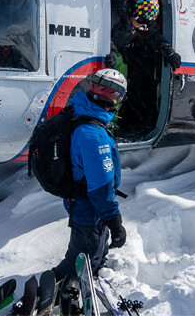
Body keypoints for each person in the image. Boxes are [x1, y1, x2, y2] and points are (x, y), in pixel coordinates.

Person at [52, 68, 128, 287]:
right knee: (80, 261)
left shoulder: (82, 113)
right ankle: (57, 290)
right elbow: (100, 186)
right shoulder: (93, 134)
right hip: (88, 207)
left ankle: (91, 277)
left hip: (87, 204)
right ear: (115, 98)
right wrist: (115, 222)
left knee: (95, 250)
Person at [106, 0, 181, 137]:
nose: (141, 25)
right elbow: (101, 31)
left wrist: (167, 50)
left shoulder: (142, 18)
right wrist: (112, 50)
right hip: (109, 51)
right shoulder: (114, 15)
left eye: (146, 22)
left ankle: (111, 123)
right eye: (141, 20)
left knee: (120, 89)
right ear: (130, 10)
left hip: (122, 52)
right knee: (111, 88)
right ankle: (103, 122)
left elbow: (154, 34)